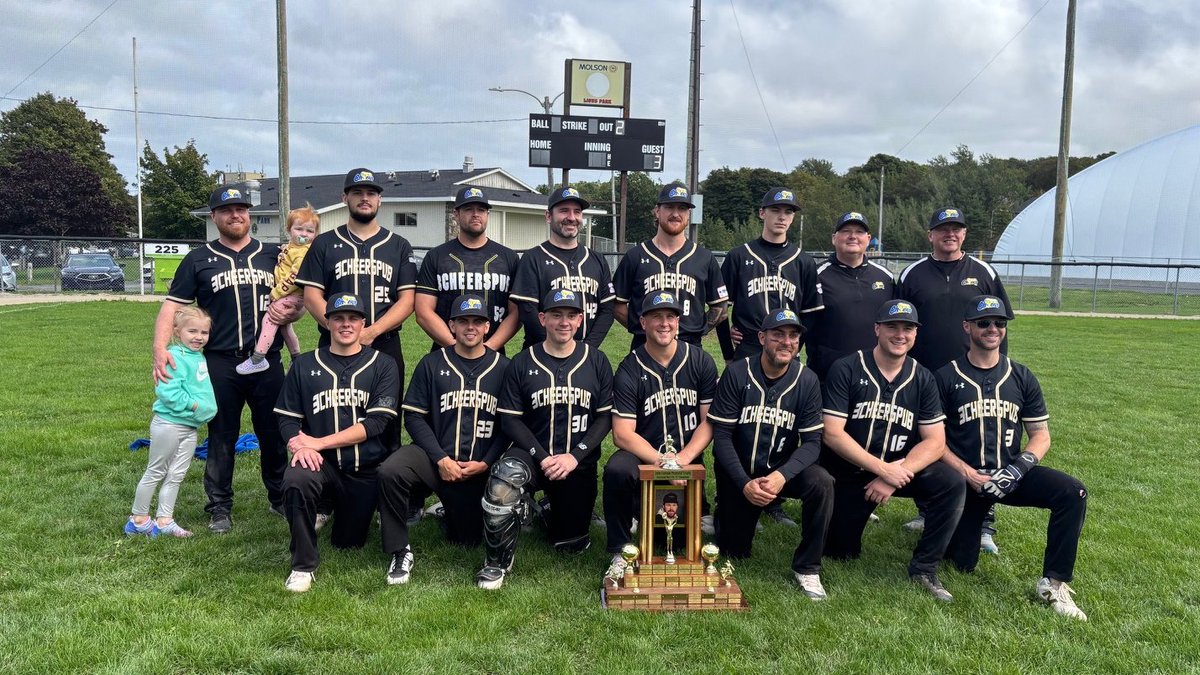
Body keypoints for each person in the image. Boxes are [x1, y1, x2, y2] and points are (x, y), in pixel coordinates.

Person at [153, 185, 299, 533]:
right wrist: (159, 349)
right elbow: (172, 305)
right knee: (221, 434)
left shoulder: (273, 255)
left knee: (274, 433)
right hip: (219, 362)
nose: (237, 215)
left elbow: (296, 297)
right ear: (215, 216)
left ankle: (279, 498)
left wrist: (293, 314)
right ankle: (219, 506)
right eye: (228, 210)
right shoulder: (198, 259)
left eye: (242, 209)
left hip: (267, 360)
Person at [936, 295, 1088, 620]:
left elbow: (1041, 434)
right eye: (984, 322)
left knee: (1072, 493)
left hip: (1010, 474)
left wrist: (1018, 469)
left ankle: (1054, 583)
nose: (993, 328)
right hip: (966, 480)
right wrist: (969, 474)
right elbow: (933, 441)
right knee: (961, 564)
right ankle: (958, 527)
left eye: (999, 323)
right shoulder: (945, 376)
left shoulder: (1021, 376)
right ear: (967, 327)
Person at [820, 300, 964, 602]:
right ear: (877, 329)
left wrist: (895, 474)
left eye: (908, 328)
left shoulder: (923, 377)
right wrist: (881, 469)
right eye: (892, 327)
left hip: (898, 469)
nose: (900, 334)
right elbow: (832, 434)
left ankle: (925, 568)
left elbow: (936, 441)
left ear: (915, 334)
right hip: (851, 471)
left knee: (950, 481)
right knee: (839, 551)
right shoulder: (847, 367)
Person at [477, 289, 614, 590]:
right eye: (555, 315)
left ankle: (541, 510)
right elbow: (510, 419)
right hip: (533, 456)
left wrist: (574, 456)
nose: (563, 322)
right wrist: (542, 456)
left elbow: (604, 418)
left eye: (570, 315)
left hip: (576, 461)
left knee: (570, 544)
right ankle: (497, 562)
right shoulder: (523, 361)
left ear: (580, 319)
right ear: (542, 319)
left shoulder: (597, 361)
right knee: (504, 480)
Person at [897, 207, 1012, 548]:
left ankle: (984, 522)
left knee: (977, 440)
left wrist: (998, 369)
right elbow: (898, 325)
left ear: (964, 234)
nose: (950, 234)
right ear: (930, 235)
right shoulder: (911, 275)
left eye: (957, 228)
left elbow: (999, 324)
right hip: (925, 373)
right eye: (943, 229)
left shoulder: (984, 272)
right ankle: (928, 509)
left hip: (974, 374)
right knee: (925, 438)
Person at [376, 294, 510, 585]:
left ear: (488, 326)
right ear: (451, 325)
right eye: (463, 321)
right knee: (392, 469)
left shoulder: (503, 367)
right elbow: (413, 416)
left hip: (478, 468)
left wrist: (486, 463)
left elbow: (508, 426)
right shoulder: (432, 363)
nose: (470, 327)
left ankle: (452, 511)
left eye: (477, 321)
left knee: (466, 540)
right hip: (435, 462)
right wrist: (440, 458)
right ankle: (400, 550)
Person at [273, 293, 400, 593]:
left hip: (363, 467)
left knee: (348, 542)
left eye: (353, 318)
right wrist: (298, 445)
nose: (346, 324)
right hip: (322, 467)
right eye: (339, 318)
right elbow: (287, 417)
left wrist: (316, 442)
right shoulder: (304, 365)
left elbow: (376, 423)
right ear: (326, 322)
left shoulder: (383, 364)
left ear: (363, 323)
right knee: (296, 478)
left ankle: (335, 513)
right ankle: (303, 565)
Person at [706, 309, 834, 600]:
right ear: (762, 338)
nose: (786, 342)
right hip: (740, 471)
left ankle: (808, 567)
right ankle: (726, 513)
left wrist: (780, 477)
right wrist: (742, 482)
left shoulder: (807, 380)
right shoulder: (737, 372)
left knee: (822, 482)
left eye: (793, 335)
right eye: (778, 334)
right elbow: (721, 437)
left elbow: (813, 442)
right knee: (734, 551)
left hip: (782, 470)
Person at [295, 167, 418, 448]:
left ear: (379, 200)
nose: (365, 198)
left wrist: (371, 332)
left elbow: (407, 300)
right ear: (345, 198)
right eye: (357, 193)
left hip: (384, 344)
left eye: (371, 193)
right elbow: (312, 295)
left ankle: (384, 483)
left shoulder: (398, 245)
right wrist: (342, 333)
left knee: (386, 419)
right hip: (333, 345)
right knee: (331, 413)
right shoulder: (324, 243)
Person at [603, 290, 718, 569]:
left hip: (687, 458)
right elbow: (621, 433)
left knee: (680, 543)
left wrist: (682, 459)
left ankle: (693, 513)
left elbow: (710, 421)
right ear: (643, 323)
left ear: (678, 322)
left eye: (670, 316)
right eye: (656, 317)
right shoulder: (630, 367)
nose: (664, 323)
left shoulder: (700, 360)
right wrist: (664, 462)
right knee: (617, 469)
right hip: (645, 456)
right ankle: (620, 548)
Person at [127, 306, 217, 538]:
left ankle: (165, 520)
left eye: (204, 333)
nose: (198, 337)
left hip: (189, 427)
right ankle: (138, 519)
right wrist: (195, 406)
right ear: (177, 332)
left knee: (177, 474)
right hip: (169, 425)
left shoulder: (199, 357)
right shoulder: (173, 357)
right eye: (192, 331)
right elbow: (168, 392)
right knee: (156, 471)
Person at [612, 182, 728, 350]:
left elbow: (721, 308)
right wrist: (645, 328)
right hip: (644, 347)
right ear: (657, 211)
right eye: (669, 207)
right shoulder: (635, 256)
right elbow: (617, 305)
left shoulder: (704, 257)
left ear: (688, 214)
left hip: (690, 348)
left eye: (682, 208)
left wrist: (697, 329)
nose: (675, 214)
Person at [717, 187, 824, 363]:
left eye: (788, 212)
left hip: (787, 350)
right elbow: (720, 309)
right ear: (762, 213)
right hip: (748, 348)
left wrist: (794, 345)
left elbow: (811, 314)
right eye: (775, 210)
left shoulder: (804, 261)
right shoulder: (739, 256)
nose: (782, 217)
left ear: (793, 217)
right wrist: (728, 354)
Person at [414, 186, 521, 353]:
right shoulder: (436, 256)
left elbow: (517, 313)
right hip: (446, 351)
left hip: (494, 353)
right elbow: (423, 311)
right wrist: (457, 348)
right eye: (469, 209)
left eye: (481, 209)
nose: (476, 214)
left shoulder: (509, 258)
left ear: (488, 215)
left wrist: (489, 349)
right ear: (456, 214)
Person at [509, 186, 615, 351]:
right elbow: (528, 312)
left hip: (585, 355)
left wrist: (585, 350)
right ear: (548, 216)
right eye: (564, 211)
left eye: (577, 211)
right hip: (541, 355)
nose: (571, 217)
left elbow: (607, 310)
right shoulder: (533, 258)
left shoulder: (597, 259)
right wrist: (560, 350)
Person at [805, 212, 896, 381]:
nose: (853, 236)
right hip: (828, 375)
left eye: (859, 232)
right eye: (846, 231)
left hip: (876, 375)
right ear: (834, 238)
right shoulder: (815, 276)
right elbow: (799, 322)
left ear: (868, 238)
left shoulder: (886, 277)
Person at [237, 205, 319, 375]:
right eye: (299, 229)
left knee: (270, 319)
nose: (304, 234)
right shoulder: (292, 247)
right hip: (290, 295)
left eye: (309, 231)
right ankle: (296, 358)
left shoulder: (302, 253)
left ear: (315, 234)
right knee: (285, 327)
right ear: (290, 230)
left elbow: (295, 276)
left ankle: (258, 358)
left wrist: (277, 293)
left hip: (291, 294)